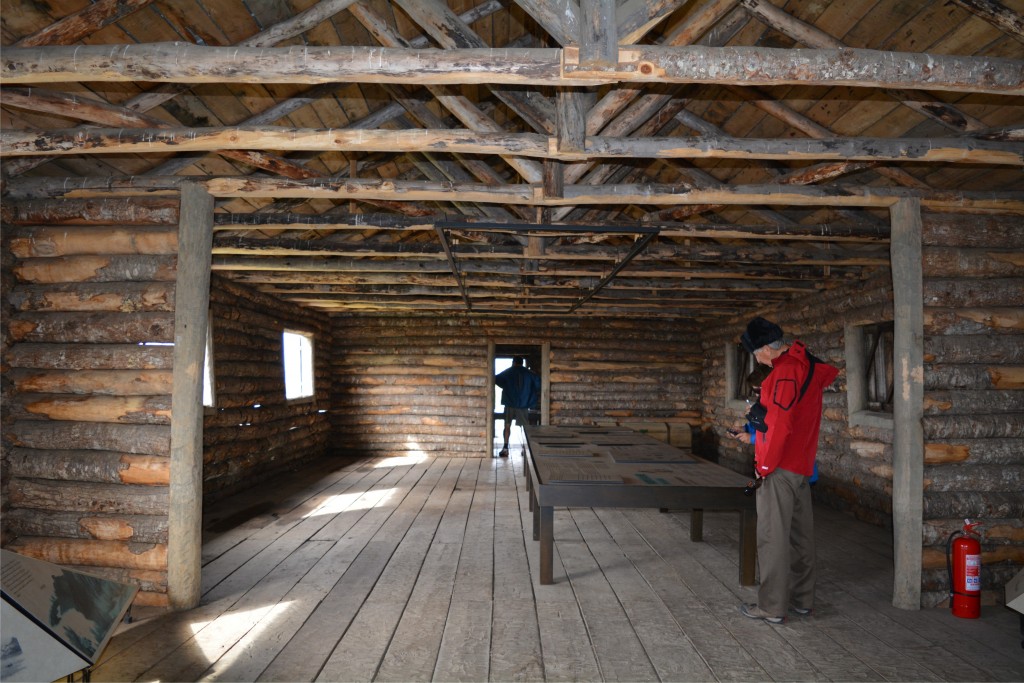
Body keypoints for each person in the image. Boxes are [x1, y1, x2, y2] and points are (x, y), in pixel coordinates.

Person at [736, 316, 838, 624]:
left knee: (772, 537)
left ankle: (772, 606)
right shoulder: (805, 364)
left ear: (766, 348)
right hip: (802, 466)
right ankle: (803, 600)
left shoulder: (783, 374)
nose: (756, 359)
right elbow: (791, 414)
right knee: (800, 536)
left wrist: (764, 466)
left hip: (779, 467)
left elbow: (780, 425)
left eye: (756, 353)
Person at [494, 356, 540, 457]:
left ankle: (505, 448)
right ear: (522, 363)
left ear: (513, 362)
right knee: (524, 427)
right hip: (523, 404)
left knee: (507, 425)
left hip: (509, 403)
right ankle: (525, 449)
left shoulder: (508, 372)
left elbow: (497, 379)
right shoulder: (529, 374)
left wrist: (507, 386)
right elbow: (538, 384)